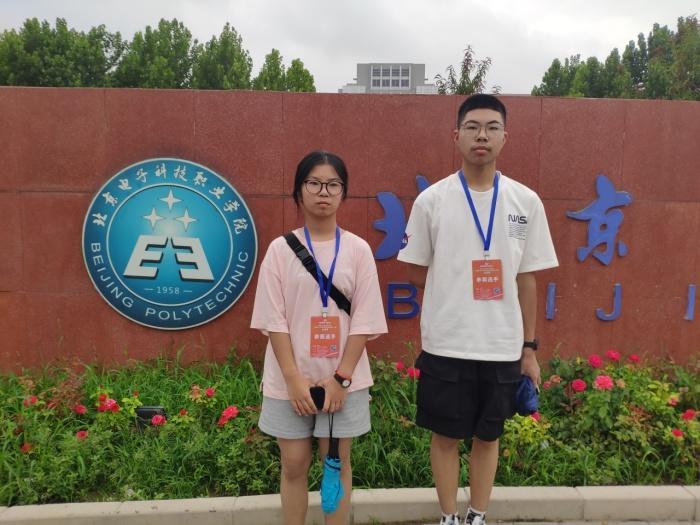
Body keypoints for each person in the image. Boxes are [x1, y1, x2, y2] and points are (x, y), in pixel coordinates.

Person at [397, 94, 558, 525]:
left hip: (502, 345)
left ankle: (477, 515)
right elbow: (414, 269)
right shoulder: (432, 200)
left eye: (491, 127)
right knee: (445, 436)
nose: (481, 135)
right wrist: (455, 286)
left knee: (489, 436)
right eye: (472, 127)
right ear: (456, 136)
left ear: (505, 137)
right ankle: (449, 516)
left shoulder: (525, 201)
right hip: (446, 343)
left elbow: (527, 279)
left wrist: (529, 349)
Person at [251, 150, 387, 525]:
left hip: (343, 379)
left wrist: (341, 378)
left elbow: (364, 319)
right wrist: (294, 380)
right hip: (289, 380)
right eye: (313, 183)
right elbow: (273, 319)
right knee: (294, 463)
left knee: (337, 462)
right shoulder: (280, 250)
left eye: (332, 184)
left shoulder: (358, 250)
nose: (323, 192)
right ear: (299, 191)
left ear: (344, 192)